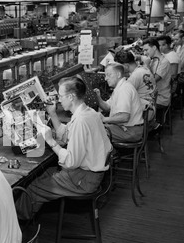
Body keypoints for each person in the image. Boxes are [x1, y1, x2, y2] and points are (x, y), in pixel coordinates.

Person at [15, 76, 112, 220]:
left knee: (32, 188)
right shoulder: (88, 112)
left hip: (84, 180)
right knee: (45, 173)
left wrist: (50, 141)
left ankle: (19, 227)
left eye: (60, 96)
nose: (59, 100)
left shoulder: (81, 121)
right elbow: (67, 134)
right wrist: (53, 114)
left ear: (71, 97)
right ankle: (25, 217)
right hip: (90, 174)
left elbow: (71, 162)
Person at [94, 63, 144, 143]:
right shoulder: (119, 88)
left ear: (118, 74)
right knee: (96, 128)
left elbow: (124, 117)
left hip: (130, 131)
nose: (106, 78)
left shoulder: (124, 90)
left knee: (94, 131)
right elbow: (107, 107)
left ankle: (110, 153)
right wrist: (98, 97)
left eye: (108, 75)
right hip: (126, 128)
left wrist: (104, 119)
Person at [114, 50, 156, 121]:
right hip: (150, 107)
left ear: (126, 66)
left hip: (145, 112)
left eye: (119, 67)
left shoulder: (135, 76)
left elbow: (124, 94)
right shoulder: (143, 69)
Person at [142, 38, 171, 124]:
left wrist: (147, 65)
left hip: (160, 97)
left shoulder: (164, 62)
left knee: (135, 103)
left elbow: (153, 80)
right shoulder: (153, 60)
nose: (145, 53)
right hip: (152, 94)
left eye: (146, 50)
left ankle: (151, 127)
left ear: (154, 47)